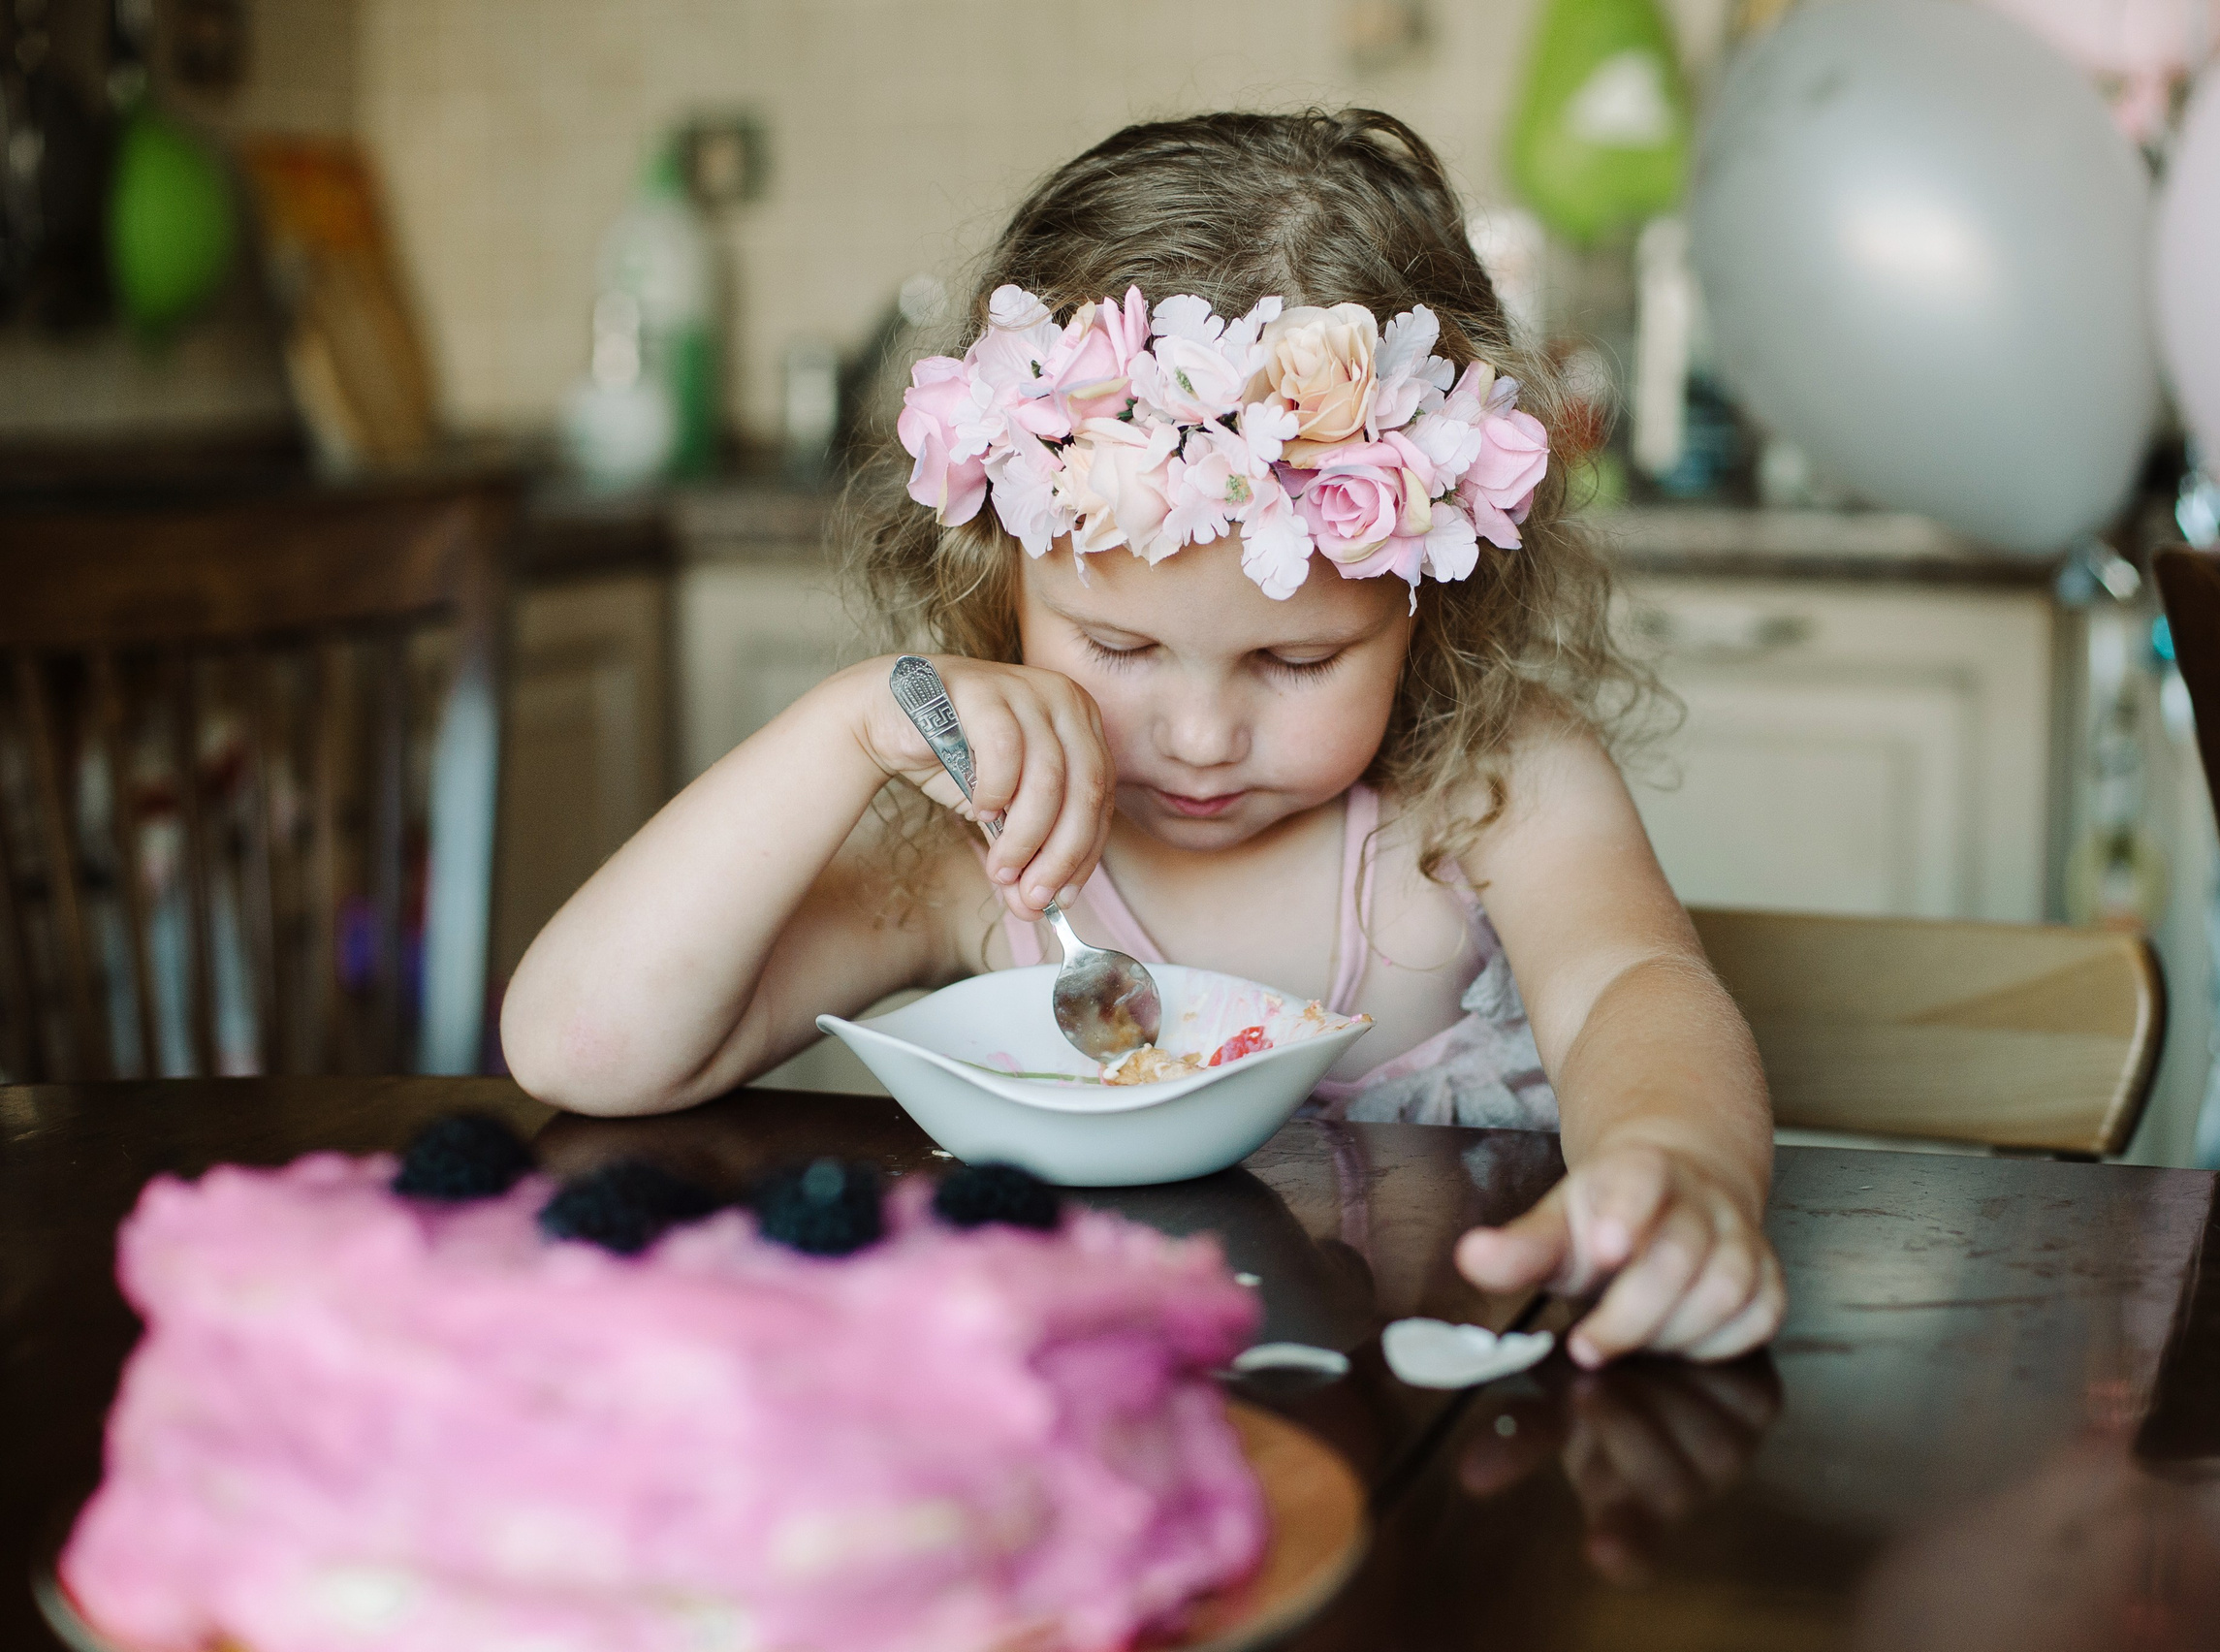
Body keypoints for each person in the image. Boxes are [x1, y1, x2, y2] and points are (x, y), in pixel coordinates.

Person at [502, 110, 1783, 1365]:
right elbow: (583, 1050)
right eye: (1118, 648)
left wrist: (1674, 1161)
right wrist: (848, 726)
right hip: (1084, 1412)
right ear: (1001, 572)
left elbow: (1631, 990)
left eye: (1295, 661)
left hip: (1433, 1425)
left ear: (1430, 599)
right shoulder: (975, 847)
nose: (1203, 735)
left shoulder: (1495, 786)